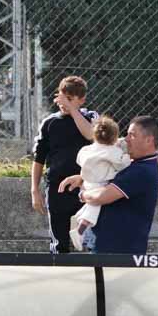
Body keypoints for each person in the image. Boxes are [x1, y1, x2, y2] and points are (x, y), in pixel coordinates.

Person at [60, 117, 158, 256]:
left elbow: (101, 197)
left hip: (118, 252)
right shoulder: (133, 164)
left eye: (132, 135)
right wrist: (83, 178)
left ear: (149, 140)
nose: (126, 139)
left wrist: (82, 194)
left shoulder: (142, 170)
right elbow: (104, 174)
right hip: (108, 248)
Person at [28, 75, 98, 254]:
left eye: (70, 98)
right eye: (61, 96)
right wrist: (35, 190)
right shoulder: (50, 123)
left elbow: (91, 135)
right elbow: (39, 159)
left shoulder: (90, 117)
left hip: (86, 187)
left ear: (81, 100)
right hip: (57, 188)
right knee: (60, 242)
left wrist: (73, 110)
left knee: (89, 240)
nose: (64, 102)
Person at [68, 116, 132, 251]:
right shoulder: (113, 152)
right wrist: (128, 158)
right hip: (100, 184)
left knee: (89, 205)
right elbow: (122, 164)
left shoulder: (87, 149)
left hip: (87, 182)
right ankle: (79, 230)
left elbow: (79, 160)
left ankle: (79, 217)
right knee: (95, 205)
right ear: (114, 137)